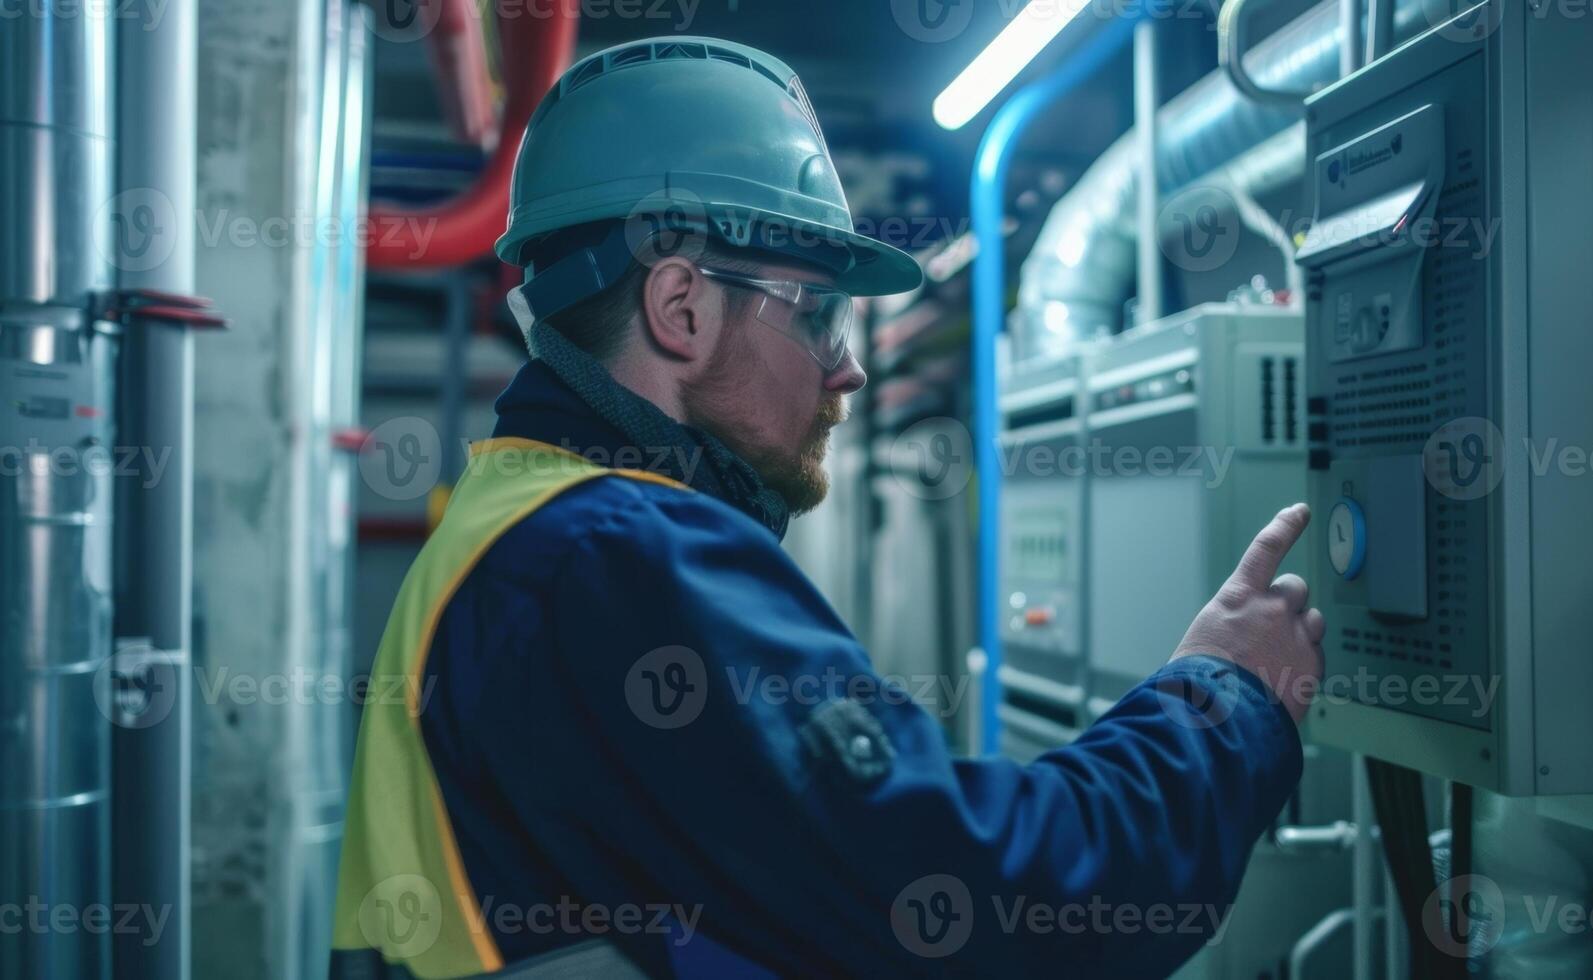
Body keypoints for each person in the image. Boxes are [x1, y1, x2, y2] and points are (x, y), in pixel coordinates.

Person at [332, 36, 1325, 979]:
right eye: (816, 311)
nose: (848, 365)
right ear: (680, 307)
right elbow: (983, 902)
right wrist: (1222, 703)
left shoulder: (512, 516)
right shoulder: (616, 550)